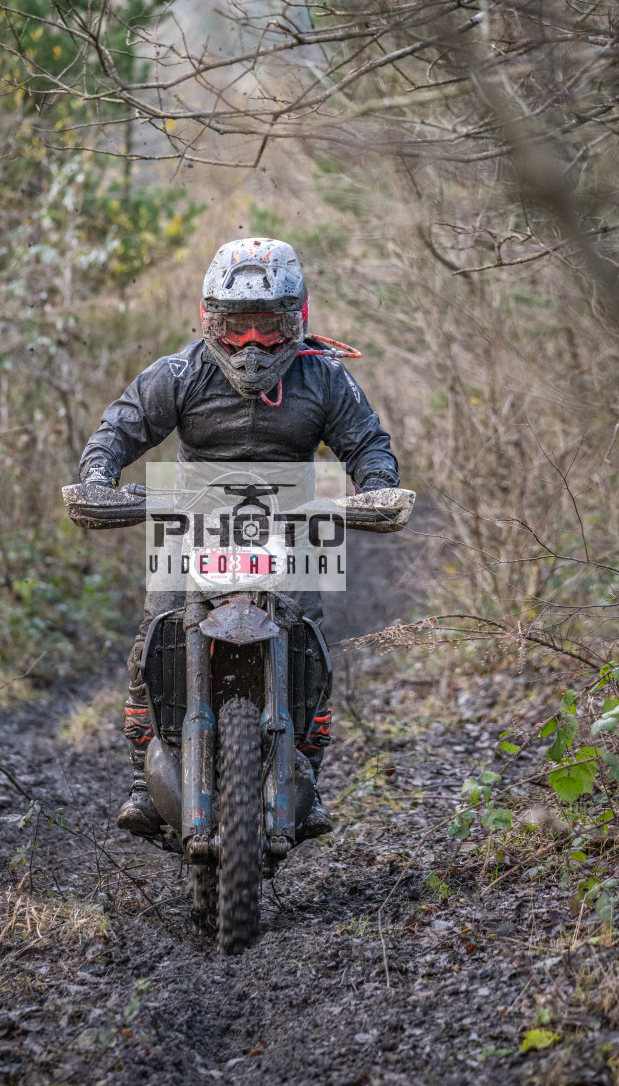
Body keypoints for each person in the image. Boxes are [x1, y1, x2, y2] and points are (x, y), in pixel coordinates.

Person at [78, 237, 399, 841]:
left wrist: (376, 488)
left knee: (308, 636)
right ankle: (143, 782)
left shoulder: (324, 377)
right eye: (237, 326)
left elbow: (367, 443)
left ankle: (306, 769)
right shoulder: (178, 372)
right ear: (210, 321)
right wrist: (99, 475)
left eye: (269, 326)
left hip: (298, 513)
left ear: (297, 320)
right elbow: (120, 427)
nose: (252, 343)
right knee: (155, 632)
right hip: (192, 509)